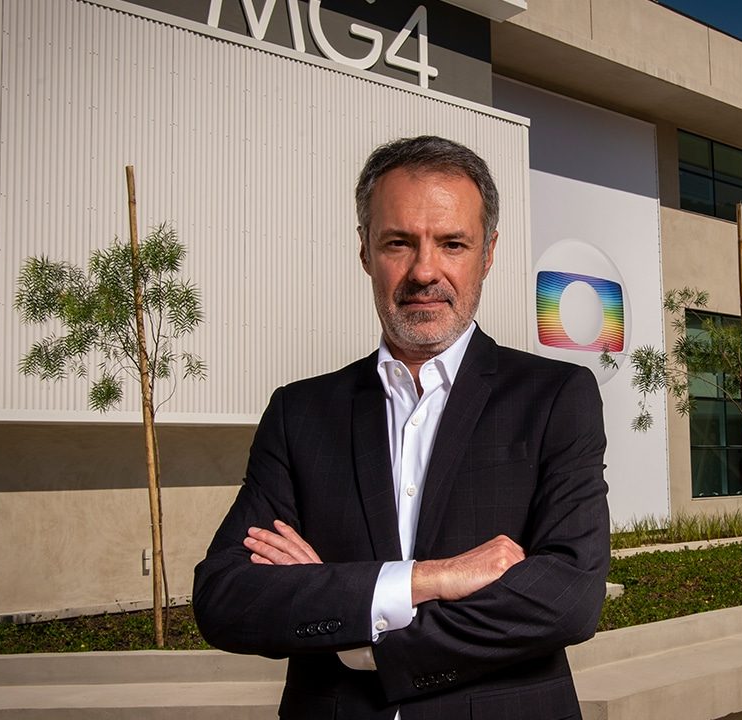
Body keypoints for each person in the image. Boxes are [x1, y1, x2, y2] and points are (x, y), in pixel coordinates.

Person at [193, 135, 610, 719]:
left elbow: (569, 595)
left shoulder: (555, 399)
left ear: (487, 254)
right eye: (398, 242)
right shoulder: (300, 414)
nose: (424, 271)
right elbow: (225, 598)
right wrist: (426, 579)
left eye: (452, 243)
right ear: (365, 250)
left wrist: (362, 633)